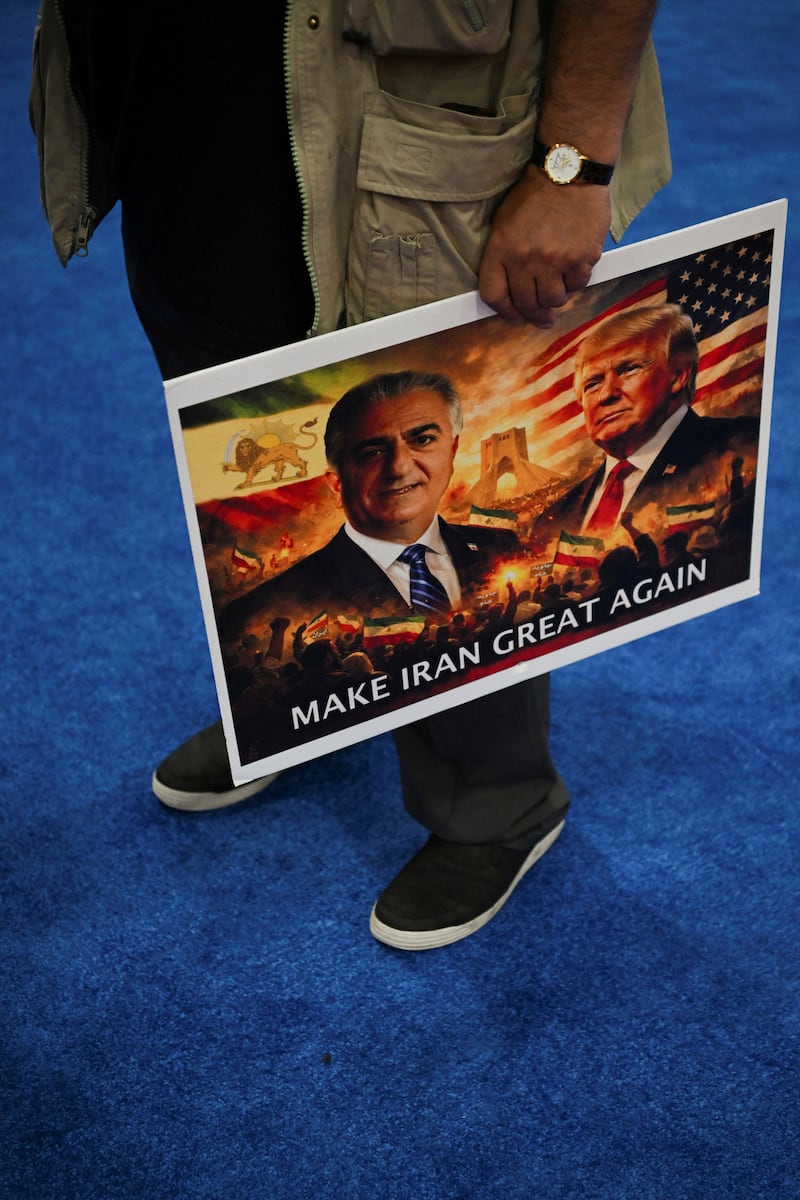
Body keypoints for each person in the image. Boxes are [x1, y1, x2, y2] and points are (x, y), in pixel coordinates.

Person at [31, 1, 670, 950]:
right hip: (180, 127)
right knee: (242, 440)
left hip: (412, 128)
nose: (400, 463)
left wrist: (573, 160)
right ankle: (298, 707)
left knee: (448, 518)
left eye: (426, 444)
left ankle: (498, 802)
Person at [218, 370, 520, 642]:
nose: (400, 467)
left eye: (423, 439)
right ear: (337, 485)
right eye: (373, 452)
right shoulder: (263, 612)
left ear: (452, 451)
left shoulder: (501, 547)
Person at [535, 303, 759, 545]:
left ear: (678, 376)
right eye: (592, 384)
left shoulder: (749, 445)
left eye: (629, 369)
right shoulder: (552, 520)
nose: (606, 394)